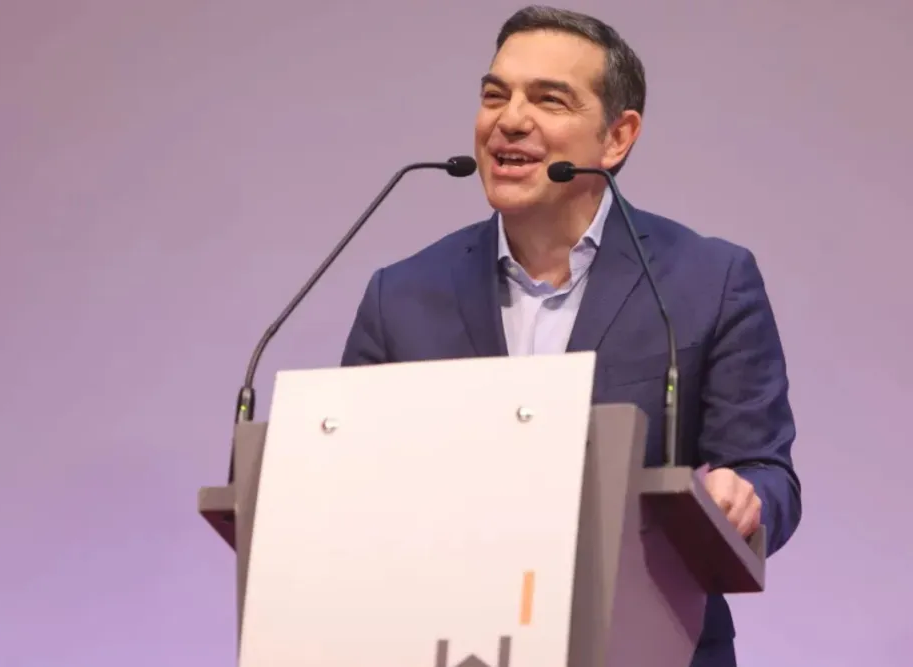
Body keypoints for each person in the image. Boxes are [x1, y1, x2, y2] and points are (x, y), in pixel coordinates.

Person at [340, 5, 801, 666]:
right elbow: (347, 475)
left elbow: (767, 471)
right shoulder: (401, 296)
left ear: (617, 137)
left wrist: (745, 497)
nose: (510, 119)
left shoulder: (708, 281)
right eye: (494, 95)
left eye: (548, 100)